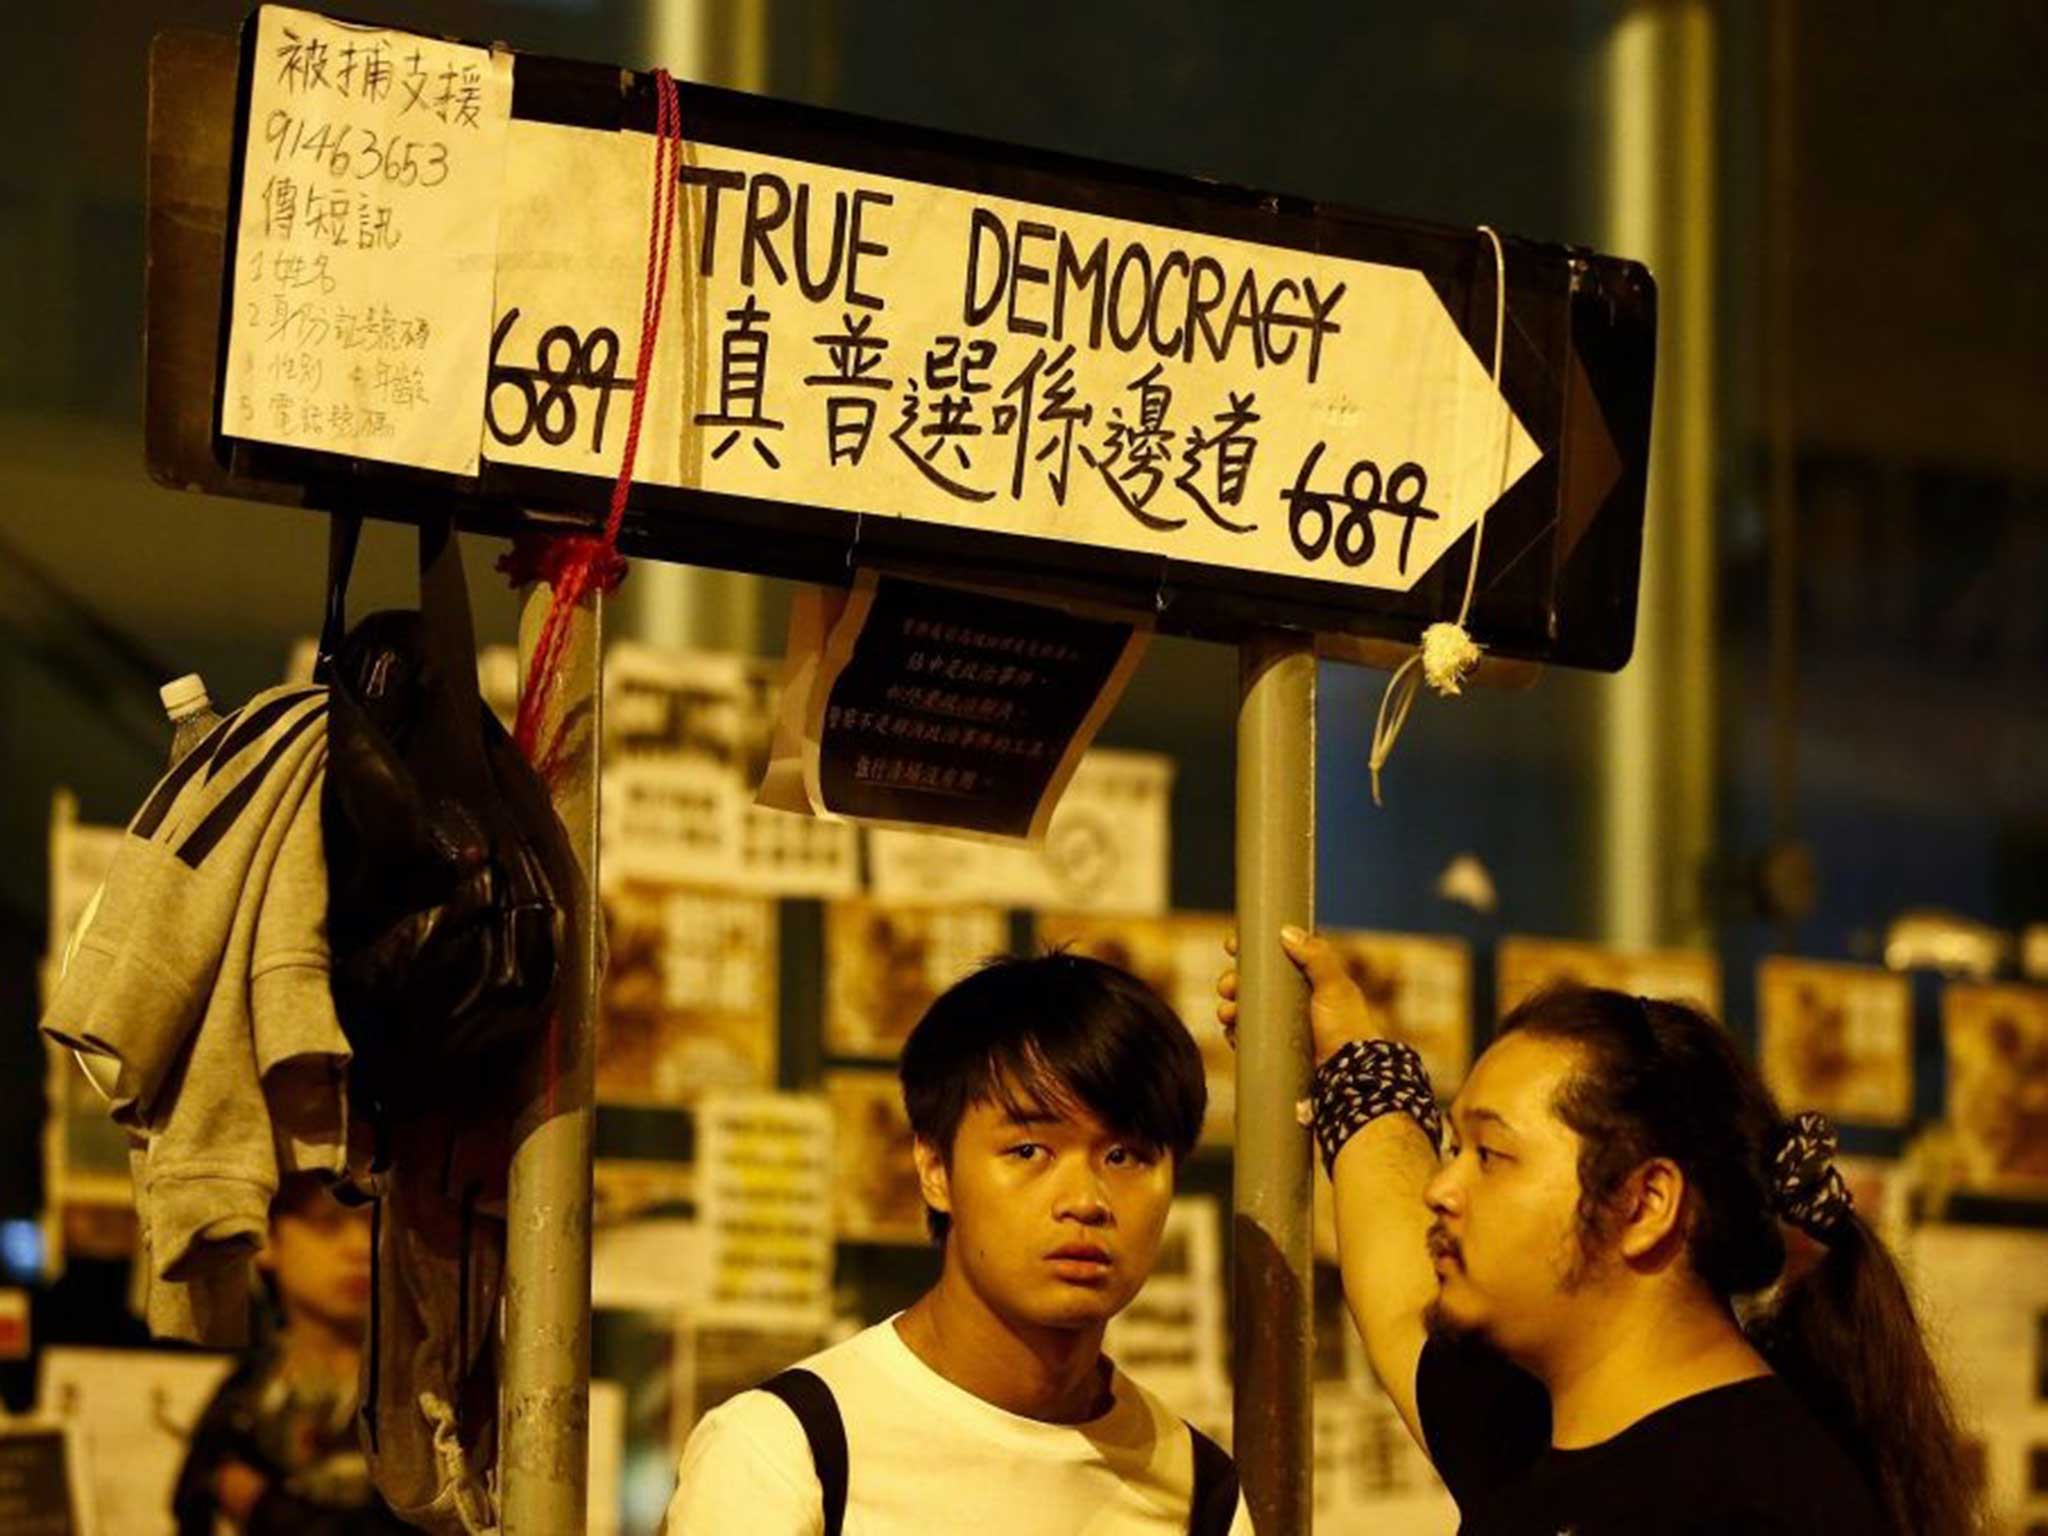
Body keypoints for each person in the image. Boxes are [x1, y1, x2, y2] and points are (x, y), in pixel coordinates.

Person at [1217, 927, 1980, 1536]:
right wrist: (1352, 1058)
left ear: (1644, 1205)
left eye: (1492, 1155)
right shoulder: (1539, 1438)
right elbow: (1395, 1290)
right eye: (1455, 1150)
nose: (1442, 1188)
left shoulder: (1763, 1504)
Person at [665, 952, 1251, 1534]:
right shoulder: (789, 1453)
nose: (1084, 1200)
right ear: (935, 1169)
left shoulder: (1201, 1491)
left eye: (1124, 1156)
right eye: (1029, 1151)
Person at [173, 1172, 406, 1535]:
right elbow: (190, 1500)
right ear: (268, 1239)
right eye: (327, 1224)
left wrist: (264, 1508)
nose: (361, 1247)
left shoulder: (417, 1393)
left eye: (375, 1225)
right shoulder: (248, 1391)